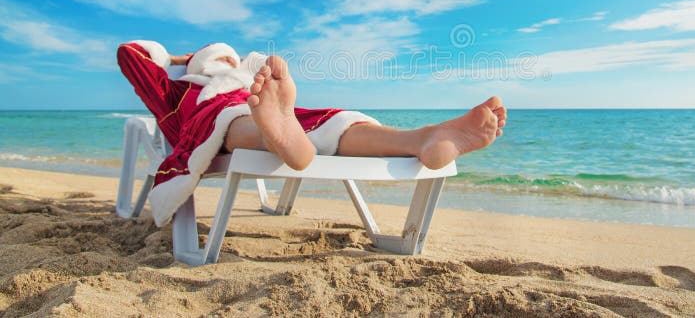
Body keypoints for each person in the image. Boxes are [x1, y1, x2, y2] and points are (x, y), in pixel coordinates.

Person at [117, 40, 506, 226]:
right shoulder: (177, 90)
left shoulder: (249, 85)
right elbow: (130, 54)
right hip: (218, 117)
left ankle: (423, 139)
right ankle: (276, 131)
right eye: (215, 57)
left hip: (264, 111)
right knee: (240, 120)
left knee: (329, 124)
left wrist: (269, 103)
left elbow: (260, 82)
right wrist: (176, 60)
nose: (225, 61)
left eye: (229, 57)